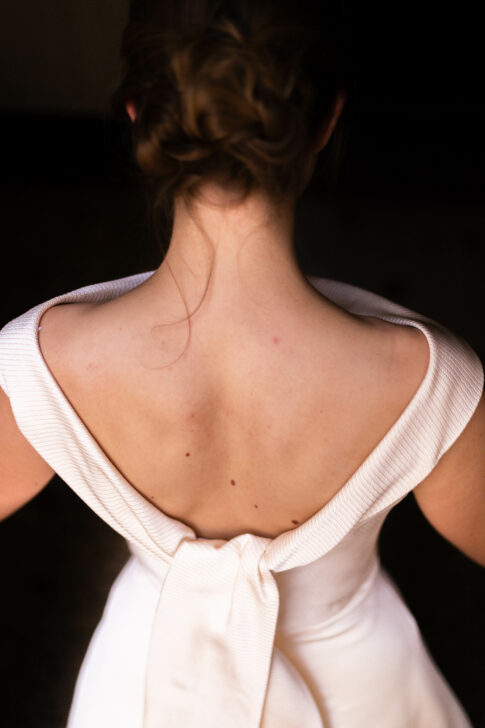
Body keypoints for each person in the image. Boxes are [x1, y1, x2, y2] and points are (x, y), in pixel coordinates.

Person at [0, 1, 483, 726]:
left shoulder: (41, 363)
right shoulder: (428, 381)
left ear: (139, 116)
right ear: (325, 122)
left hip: (138, 681)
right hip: (361, 687)